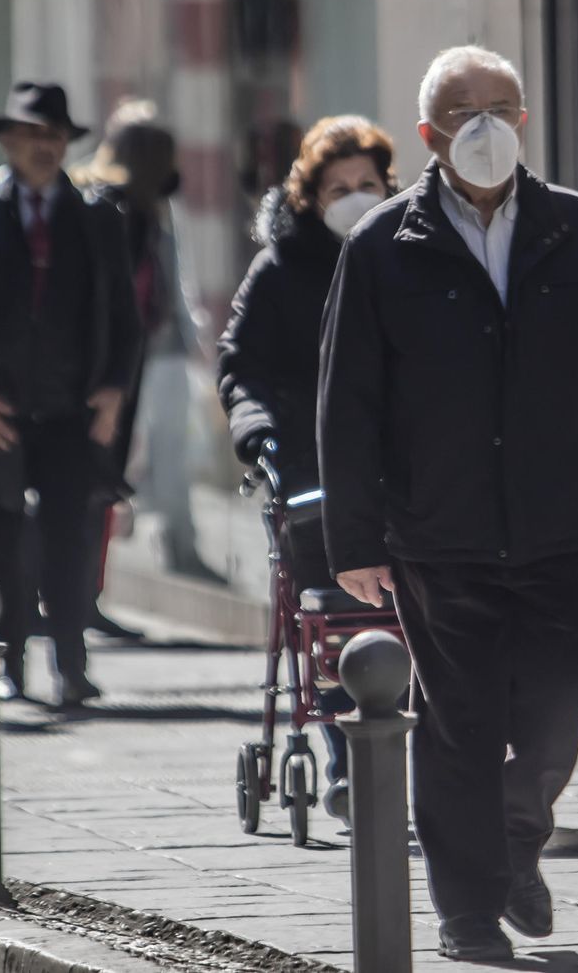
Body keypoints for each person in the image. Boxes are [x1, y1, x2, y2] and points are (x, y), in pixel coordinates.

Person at [318, 46, 578, 962]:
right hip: (441, 531)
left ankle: (517, 838)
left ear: (526, 119)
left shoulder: (576, 228)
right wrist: (355, 534)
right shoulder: (382, 244)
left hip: (557, 525)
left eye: (500, 105)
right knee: (460, 725)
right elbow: (346, 401)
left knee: (560, 705)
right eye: (462, 111)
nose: (484, 124)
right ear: (428, 136)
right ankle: (467, 909)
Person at [0, 82, 141, 709]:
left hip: (70, 408)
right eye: (32, 135)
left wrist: (113, 392)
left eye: (55, 136)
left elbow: (126, 319)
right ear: (8, 141)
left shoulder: (97, 218)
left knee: (71, 538)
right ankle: (9, 660)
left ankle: (71, 663)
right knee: (1, 542)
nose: (44, 148)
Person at [218, 113, 400, 824]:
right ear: (309, 197)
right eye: (338, 188)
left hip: (403, 473)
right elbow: (241, 366)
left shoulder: (408, 253)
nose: (354, 197)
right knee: (331, 618)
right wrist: (257, 434)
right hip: (311, 474)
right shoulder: (281, 268)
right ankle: (346, 756)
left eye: (367, 184)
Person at [73, 99, 217, 644]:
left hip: (149, 355)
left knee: (111, 481)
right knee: (98, 480)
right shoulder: (112, 207)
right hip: (117, 365)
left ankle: (88, 594)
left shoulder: (149, 206)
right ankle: (76, 595)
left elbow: (166, 280)